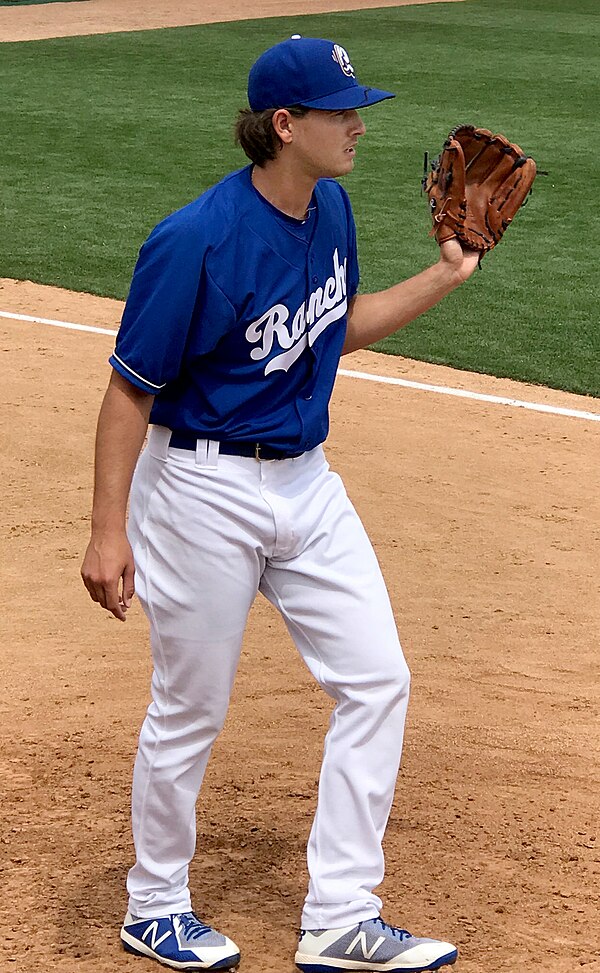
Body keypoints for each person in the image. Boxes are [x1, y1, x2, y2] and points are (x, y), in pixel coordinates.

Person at [81, 35, 478, 973]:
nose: (358, 127)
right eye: (341, 112)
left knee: (378, 678)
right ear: (284, 125)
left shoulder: (329, 208)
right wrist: (106, 533)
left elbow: (329, 337)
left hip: (307, 481)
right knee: (192, 705)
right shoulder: (195, 240)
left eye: (358, 110)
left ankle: (341, 915)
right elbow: (128, 390)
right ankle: (155, 903)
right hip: (199, 493)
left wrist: (447, 273)